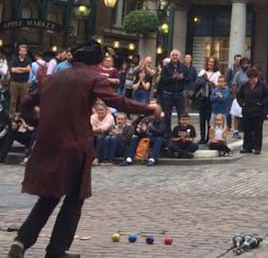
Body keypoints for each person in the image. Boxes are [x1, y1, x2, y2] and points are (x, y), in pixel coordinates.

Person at [9, 41, 159, 258]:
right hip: (74, 147)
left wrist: (39, 121)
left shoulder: (50, 78)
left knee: (50, 196)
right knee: (73, 199)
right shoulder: (93, 78)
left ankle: (22, 240)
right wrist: (148, 108)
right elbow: (117, 101)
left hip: (46, 143)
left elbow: (25, 104)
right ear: (95, 62)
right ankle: (56, 250)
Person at [237, 67, 268, 154]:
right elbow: (239, 96)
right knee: (247, 130)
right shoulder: (244, 85)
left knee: (257, 130)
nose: (252, 80)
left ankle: (257, 148)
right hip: (247, 110)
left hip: (258, 112)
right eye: (250, 78)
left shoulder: (262, 85)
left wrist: (262, 104)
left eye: (254, 78)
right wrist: (242, 104)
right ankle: (246, 147)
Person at [160, 49, 187, 133]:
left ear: (179, 57)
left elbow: (189, 78)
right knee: (167, 116)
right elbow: (163, 80)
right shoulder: (166, 67)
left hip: (180, 94)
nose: (175, 57)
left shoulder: (183, 67)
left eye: (176, 55)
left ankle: (180, 133)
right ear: (170, 56)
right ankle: (168, 135)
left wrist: (182, 78)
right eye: (173, 55)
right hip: (168, 94)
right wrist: (172, 77)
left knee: (181, 115)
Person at [195, 57, 220, 143]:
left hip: (211, 98)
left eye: (212, 62)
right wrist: (202, 79)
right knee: (202, 118)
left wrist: (208, 80)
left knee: (209, 119)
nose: (210, 64)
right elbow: (197, 83)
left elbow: (217, 86)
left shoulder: (217, 73)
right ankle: (202, 137)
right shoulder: (202, 71)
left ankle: (208, 137)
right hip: (202, 97)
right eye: (209, 62)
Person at [9, 44, 31, 115]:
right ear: (19, 51)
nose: (23, 52)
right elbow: (13, 70)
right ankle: (12, 116)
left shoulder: (28, 59)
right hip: (14, 82)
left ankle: (23, 115)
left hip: (24, 83)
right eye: (21, 50)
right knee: (13, 101)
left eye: (24, 50)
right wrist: (24, 69)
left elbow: (29, 69)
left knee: (23, 100)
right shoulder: (14, 59)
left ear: (26, 52)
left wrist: (19, 68)